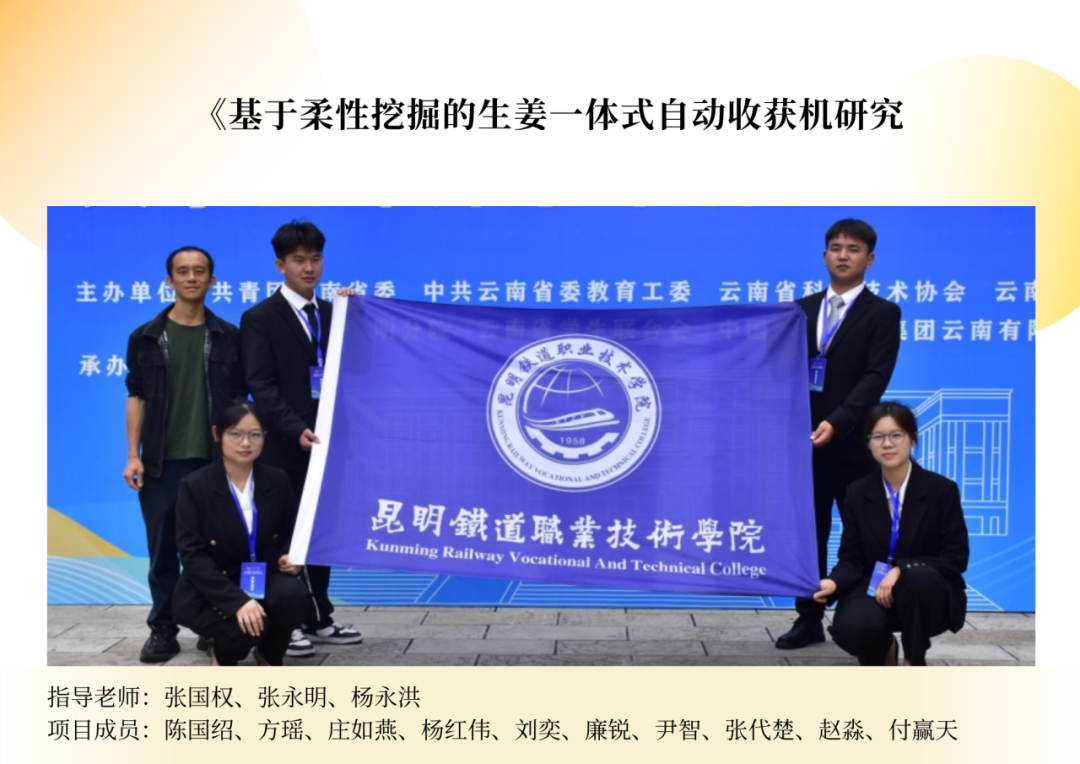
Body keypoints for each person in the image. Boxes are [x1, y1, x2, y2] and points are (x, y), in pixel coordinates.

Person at [777, 219, 902, 649]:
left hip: (852, 445)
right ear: (824, 255)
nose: (843, 255)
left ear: (869, 259)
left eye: (853, 249)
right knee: (808, 534)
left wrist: (839, 420)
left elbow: (875, 378)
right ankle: (808, 619)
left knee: (860, 533)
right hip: (803, 444)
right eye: (835, 247)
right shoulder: (799, 310)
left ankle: (859, 617)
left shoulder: (883, 314)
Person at [240, 221, 362, 657]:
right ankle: (281, 622)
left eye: (315, 259)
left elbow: (358, 367)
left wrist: (357, 312)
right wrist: (296, 430)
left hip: (329, 445)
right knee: (281, 534)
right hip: (284, 447)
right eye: (298, 260)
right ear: (280, 265)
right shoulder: (259, 318)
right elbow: (261, 385)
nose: (309, 268)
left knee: (320, 530)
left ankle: (318, 616)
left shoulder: (333, 314)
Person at [123, 246, 246, 662]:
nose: (191, 277)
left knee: (218, 549)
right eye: (182, 271)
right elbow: (136, 396)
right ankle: (163, 628)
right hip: (161, 462)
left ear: (212, 280)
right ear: (169, 280)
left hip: (216, 462)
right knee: (162, 550)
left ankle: (213, 624)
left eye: (199, 271)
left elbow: (240, 401)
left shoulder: (229, 336)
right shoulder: (145, 337)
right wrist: (133, 455)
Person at [813, 402, 969, 665]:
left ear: (913, 438)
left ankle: (913, 659)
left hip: (926, 592)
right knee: (851, 628)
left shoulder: (941, 490)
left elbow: (955, 557)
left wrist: (900, 569)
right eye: (878, 437)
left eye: (896, 435)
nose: (887, 444)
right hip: (873, 586)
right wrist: (834, 582)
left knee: (918, 579)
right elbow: (852, 558)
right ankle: (884, 647)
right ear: (868, 444)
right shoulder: (857, 493)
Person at [174, 400, 311, 666]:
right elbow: (191, 555)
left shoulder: (277, 480)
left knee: (295, 596)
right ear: (217, 434)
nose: (245, 443)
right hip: (212, 585)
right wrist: (237, 601)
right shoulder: (195, 486)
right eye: (235, 434)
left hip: (262, 576)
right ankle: (223, 655)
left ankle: (269, 655)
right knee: (247, 625)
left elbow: (290, 532)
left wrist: (289, 556)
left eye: (255, 435)